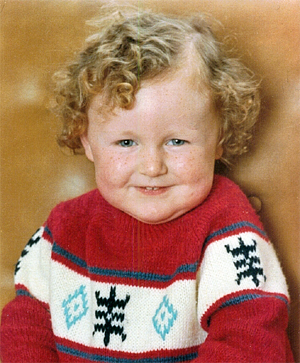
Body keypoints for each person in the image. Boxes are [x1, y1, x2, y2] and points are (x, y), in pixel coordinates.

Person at [0, 5, 294, 363]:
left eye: (177, 142)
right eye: (126, 143)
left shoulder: (227, 229)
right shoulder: (64, 227)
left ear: (220, 138)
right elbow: (25, 331)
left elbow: (252, 345)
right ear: (87, 141)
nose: (153, 166)